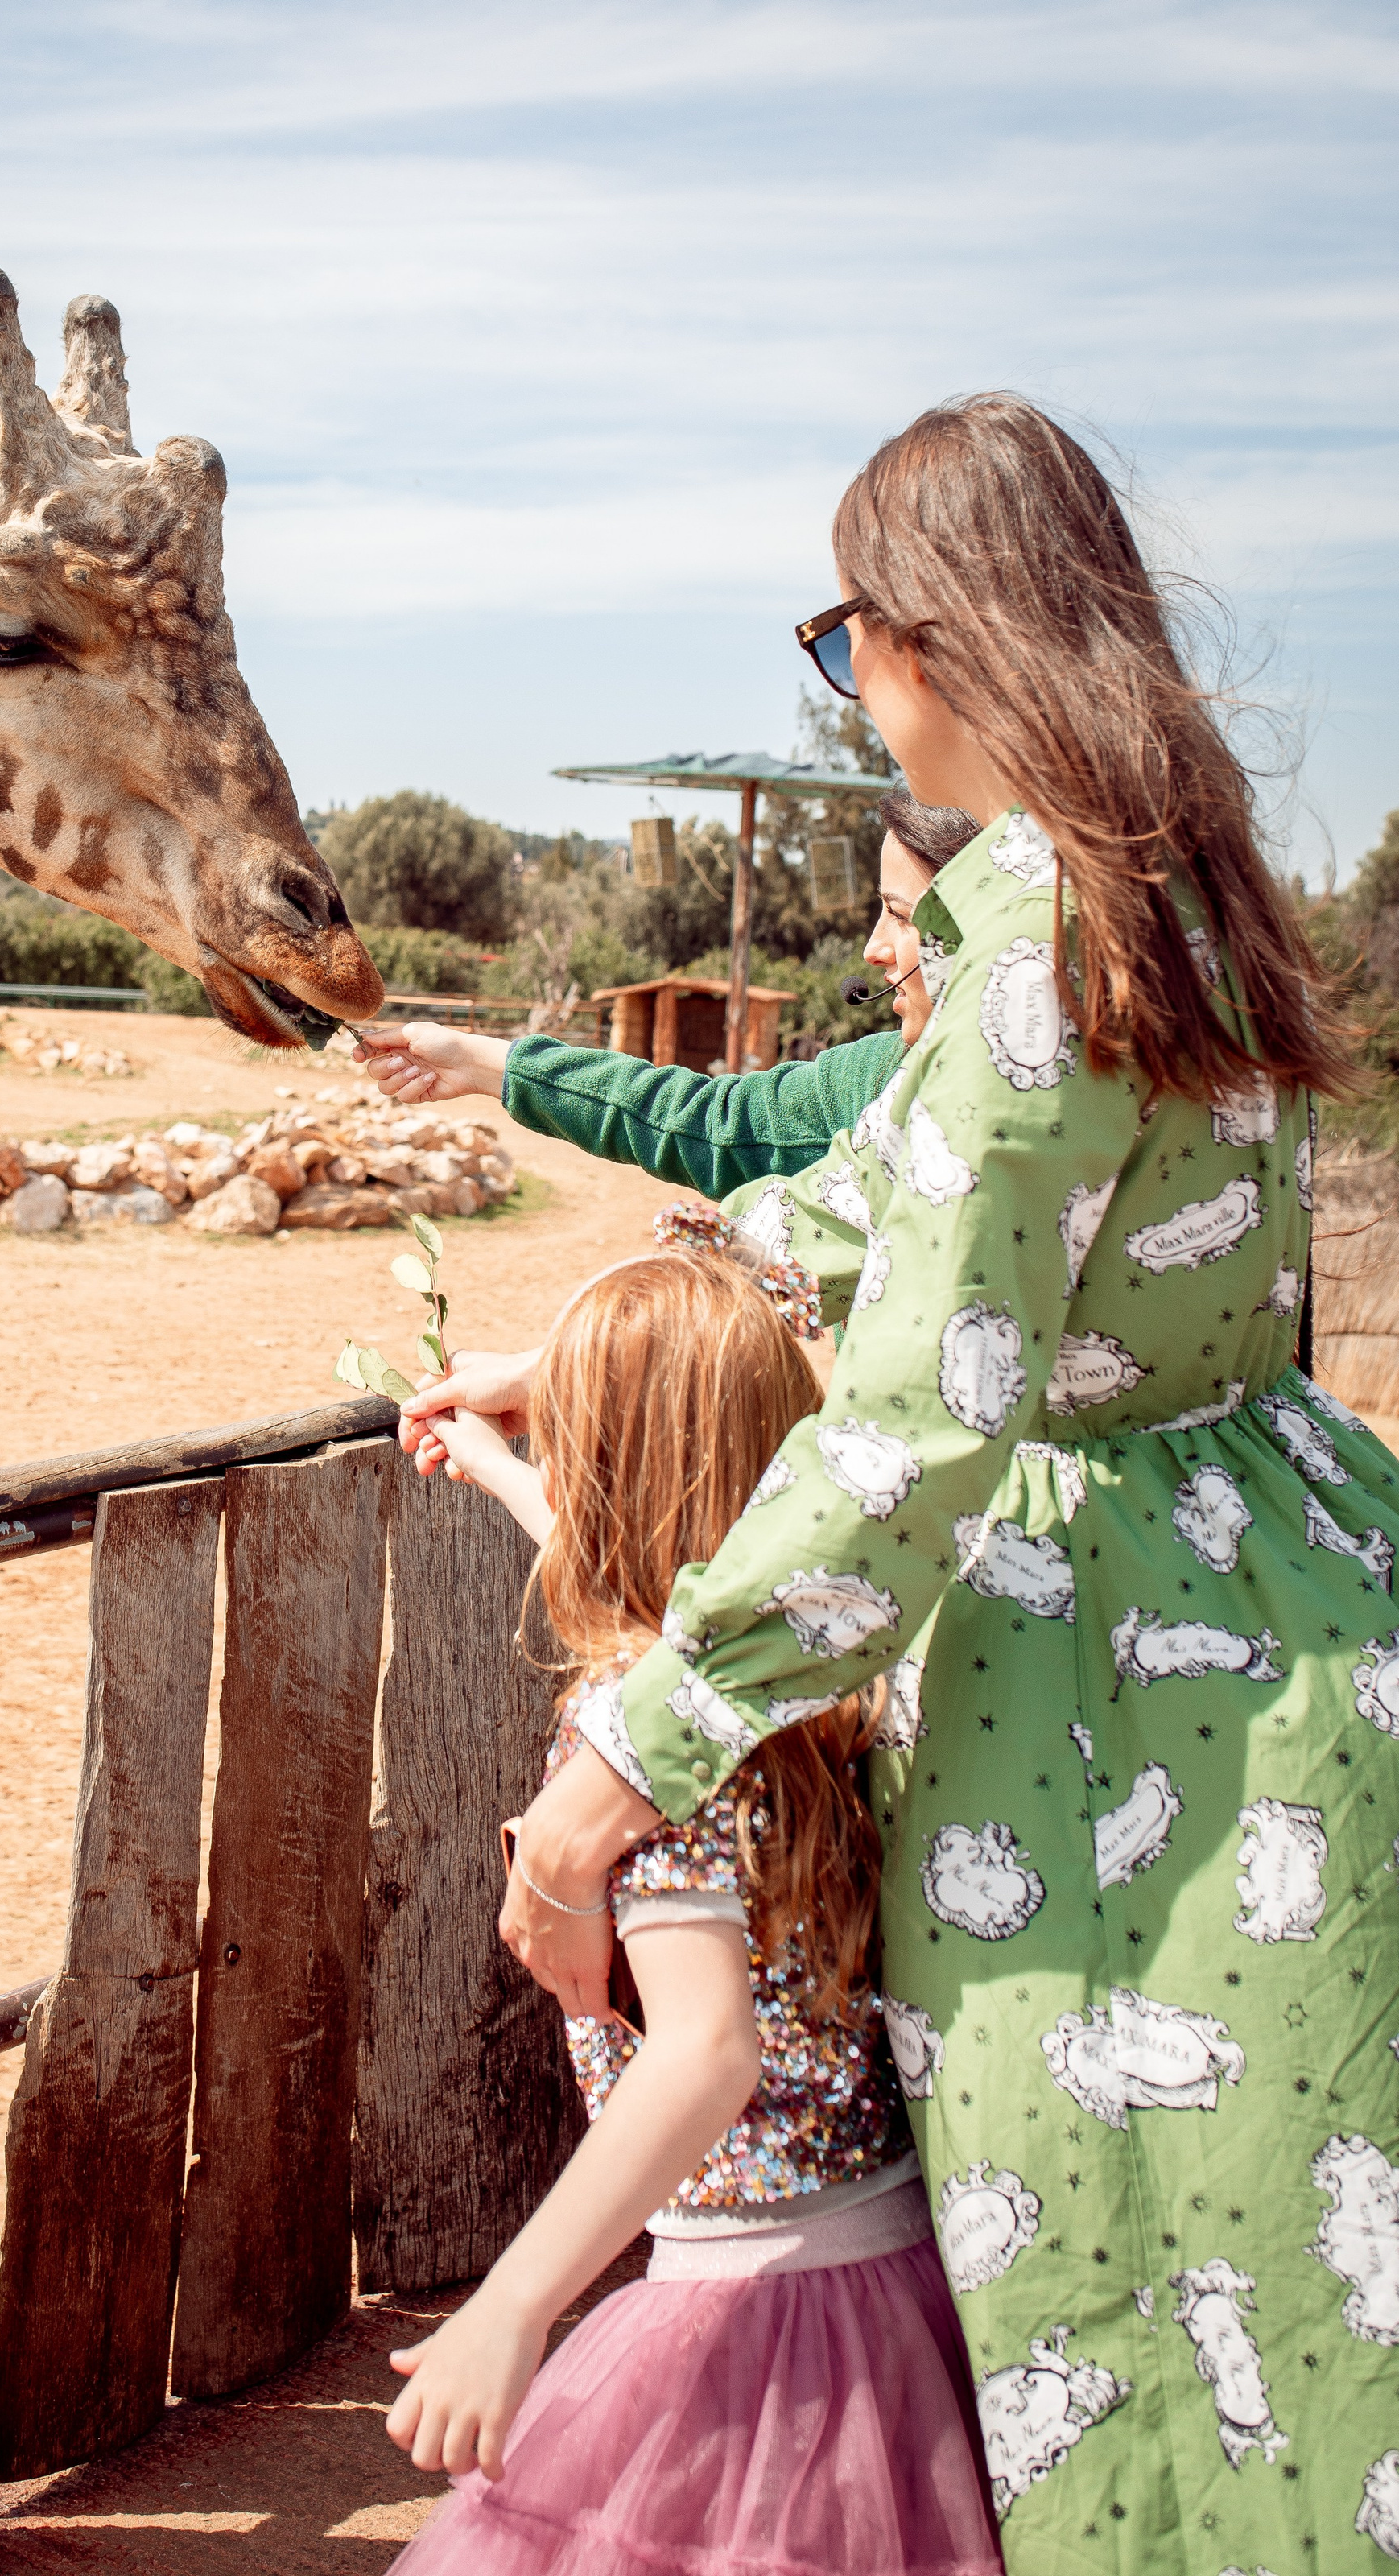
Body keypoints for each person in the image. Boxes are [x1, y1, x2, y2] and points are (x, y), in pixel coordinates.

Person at [404, 396, 1399, 2571]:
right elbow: (892, 1210)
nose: (847, 680)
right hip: (1291, 1621)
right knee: (1303, 2311)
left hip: (1118, 1712)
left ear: (929, 633)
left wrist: (617, 1773)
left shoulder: (1033, 933)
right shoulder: (1174, 890)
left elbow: (917, 1430)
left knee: (1145, 2313)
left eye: (839, 631)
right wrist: (577, 1366)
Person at [382, 1245, 1002, 2576]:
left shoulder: (634, 1745)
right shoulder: (817, 1669)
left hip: (751, 2314)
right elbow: (685, 1616)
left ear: (604, 1480)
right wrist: (502, 1471)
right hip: (892, 2273)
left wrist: (513, 2305)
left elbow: (705, 2054)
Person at [351, 786, 980, 1202]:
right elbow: (701, 1119)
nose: (873, 947)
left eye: (900, 915)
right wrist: (478, 1060)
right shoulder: (874, 1079)